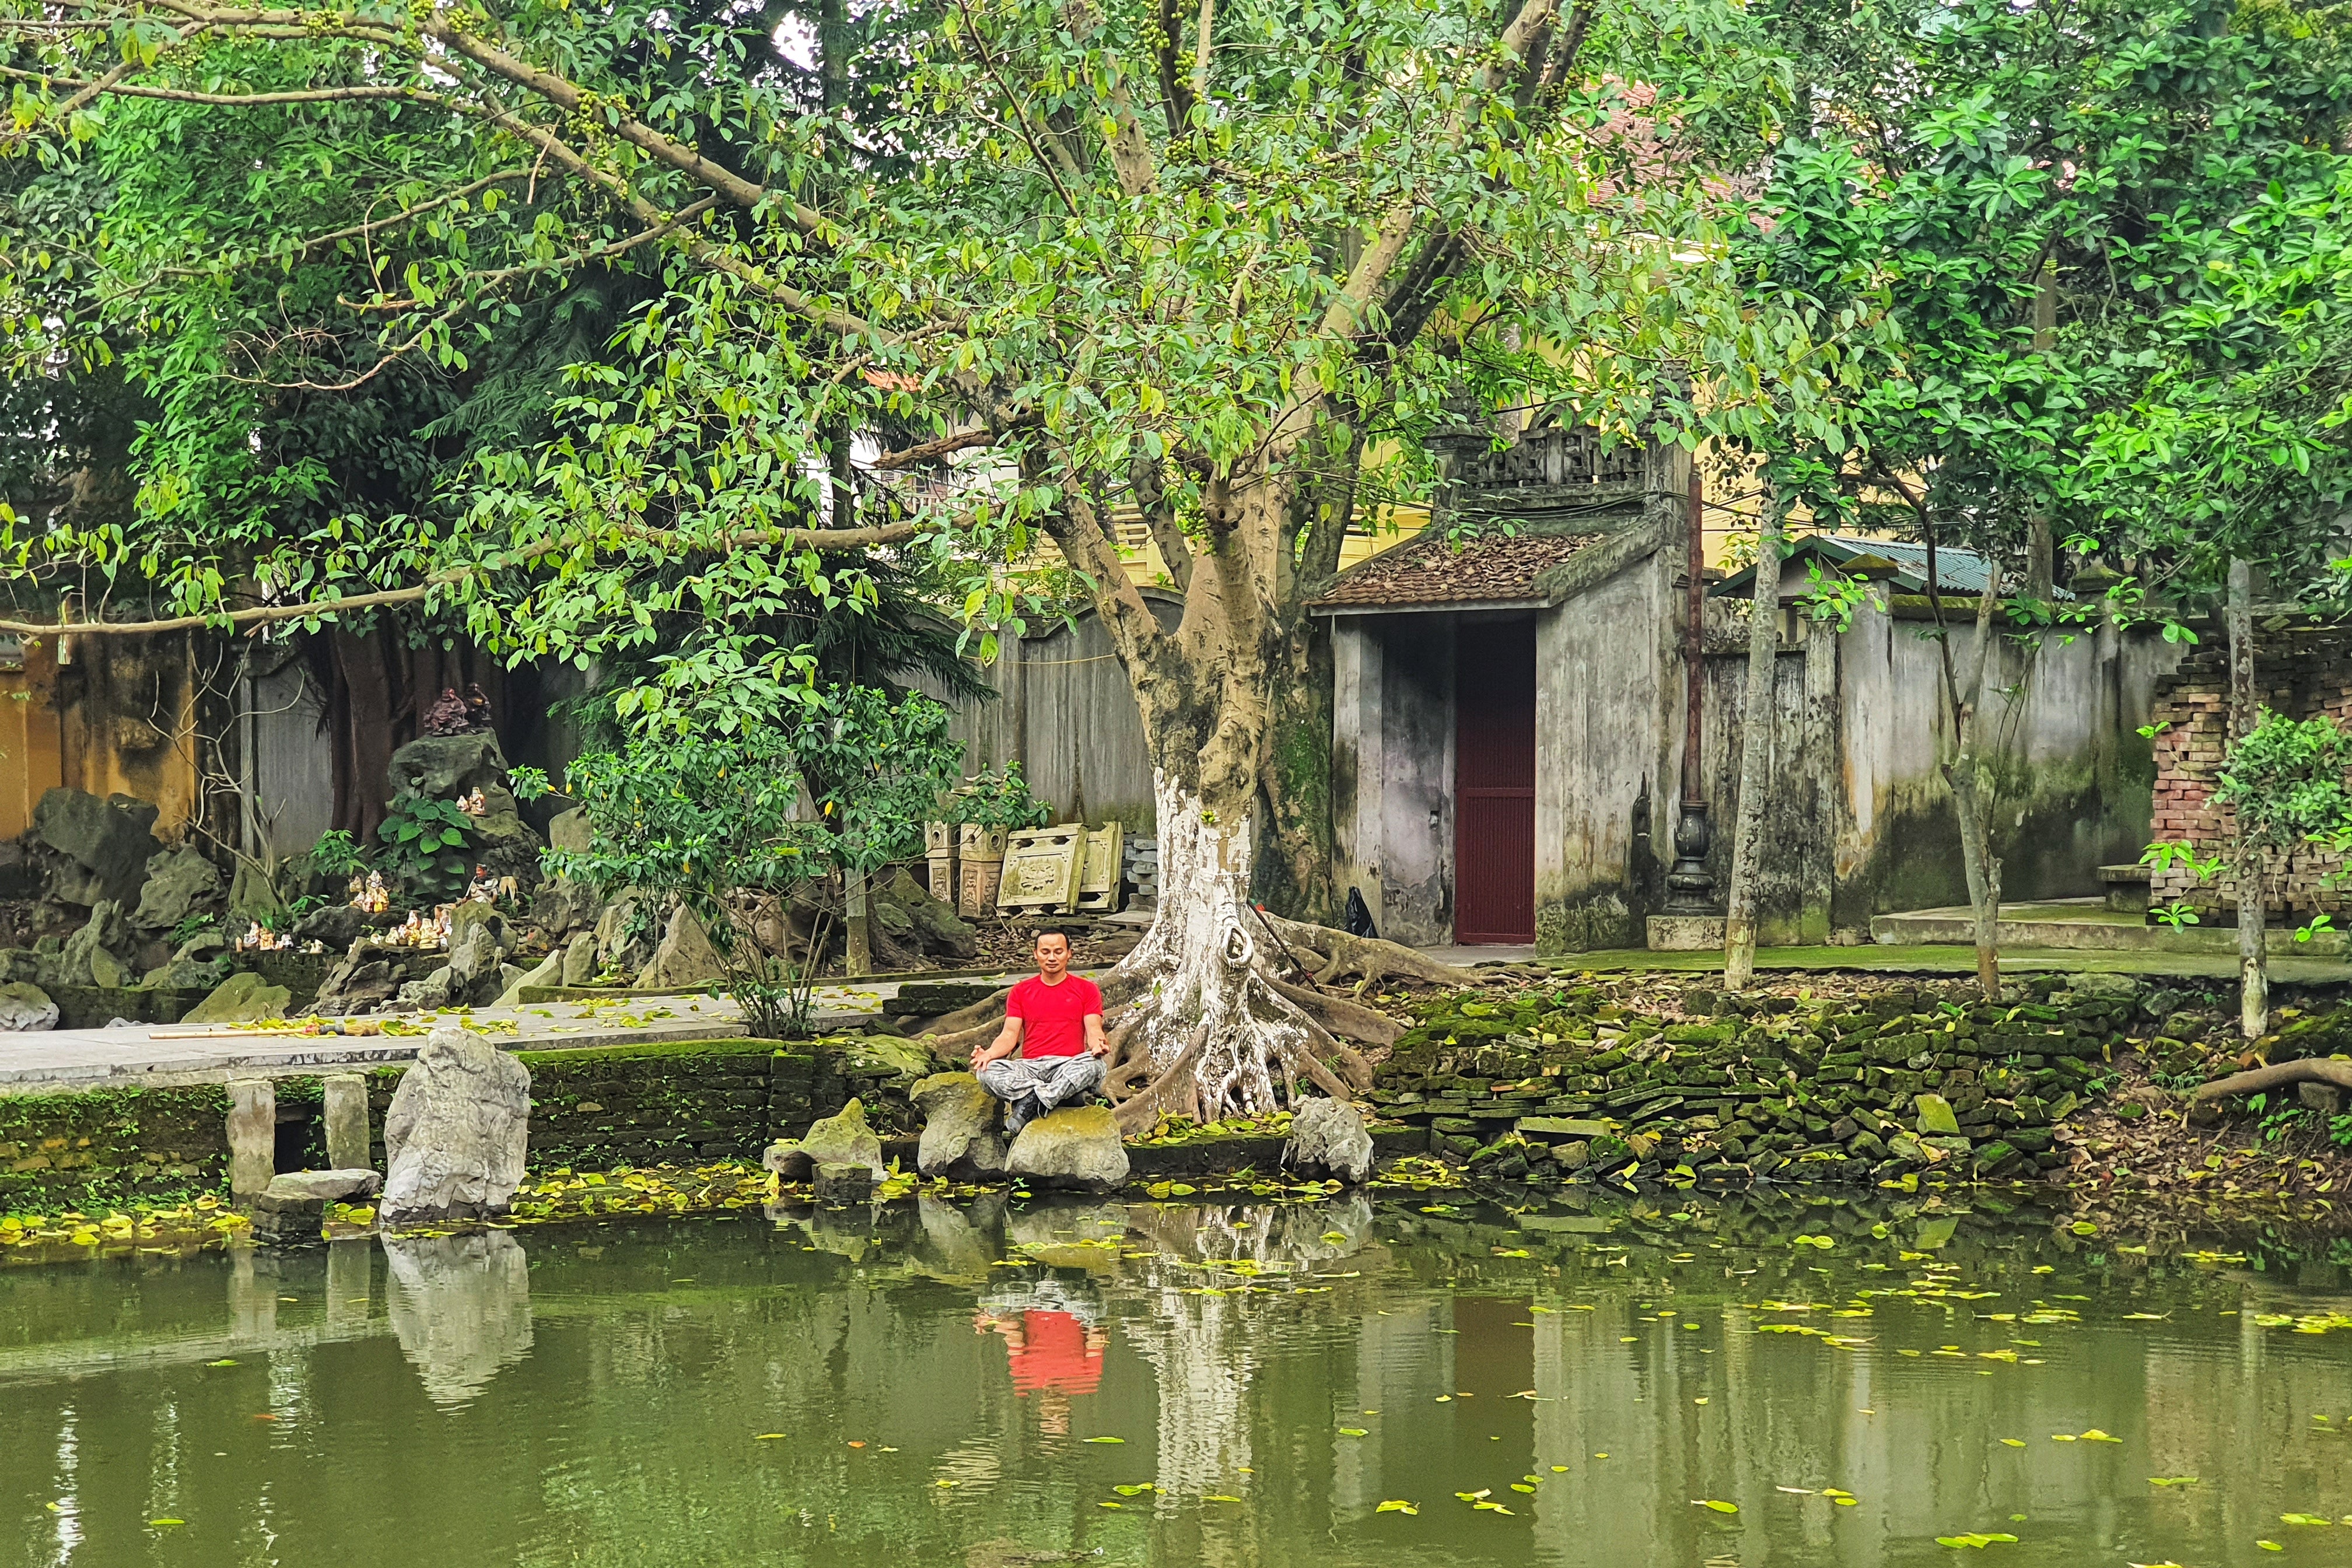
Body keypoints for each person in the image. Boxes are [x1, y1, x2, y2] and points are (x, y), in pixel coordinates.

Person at [971, 929, 1107, 1135]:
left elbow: (1094, 1028)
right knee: (986, 1071)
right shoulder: (1021, 991)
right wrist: (989, 1054)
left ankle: (1031, 1101)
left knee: (1096, 1066)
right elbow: (1009, 1035)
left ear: (1069, 954)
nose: (1052, 958)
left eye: (1058, 951)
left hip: (1066, 1065)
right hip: (1030, 1068)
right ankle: (1056, 1095)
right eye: (1045, 952)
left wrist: (1098, 1044)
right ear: (1035, 954)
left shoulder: (1087, 989)